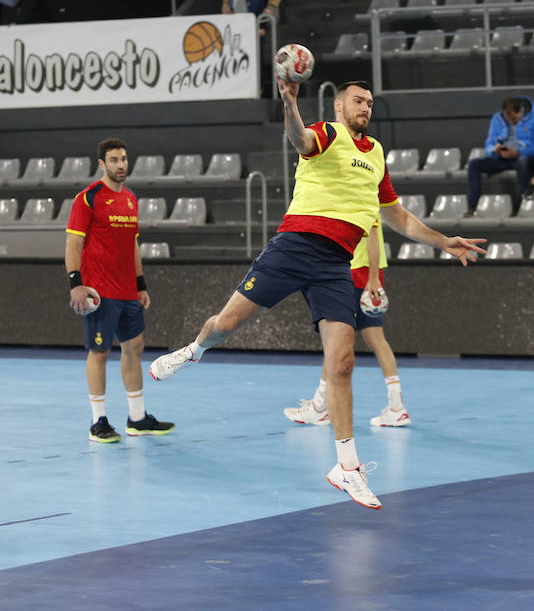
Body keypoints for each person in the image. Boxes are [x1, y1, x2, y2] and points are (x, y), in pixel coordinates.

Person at [149, 79, 486, 510]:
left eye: (369, 102)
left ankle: (347, 467)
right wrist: (290, 102)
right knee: (226, 324)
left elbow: (396, 215)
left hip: (334, 266)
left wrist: (443, 241)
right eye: (357, 101)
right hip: (293, 247)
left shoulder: (377, 153)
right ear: (339, 105)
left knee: (342, 362)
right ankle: (194, 350)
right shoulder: (328, 133)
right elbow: (300, 138)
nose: (365, 107)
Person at [65, 138, 175, 444]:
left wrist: (140, 285)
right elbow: (73, 243)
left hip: (128, 291)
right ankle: (98, 421)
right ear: (102, 164)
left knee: (135, 346)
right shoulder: (88, 198)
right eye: (114, 160)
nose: (121, 164)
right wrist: (75, 284)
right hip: (100, 290)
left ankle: (137, 419)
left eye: (124, 159)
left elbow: (133, 245)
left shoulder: (130, 198)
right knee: (99, 351)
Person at [284, 219, 409, 428]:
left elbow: (372, 236)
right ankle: (397, 407)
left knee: (336, 340)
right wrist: (374, 277)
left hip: (355, 273)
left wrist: (372, 279)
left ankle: (320, 407)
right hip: (368, 274)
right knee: (375, 338)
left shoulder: (359, 195)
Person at [466, 97, 534, 216]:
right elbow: (489, 143)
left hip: (523, 157)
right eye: (507, 118)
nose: (510, 121)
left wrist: (519, 152)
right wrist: (494, 150)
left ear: (521, 111)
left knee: (522, 162)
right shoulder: (497, 118)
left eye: (514, 118)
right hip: (502, 158)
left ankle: (518, 207)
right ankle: (473, 207)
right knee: (474, 164)